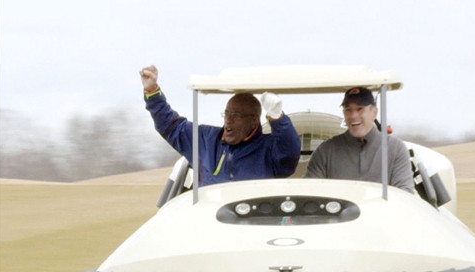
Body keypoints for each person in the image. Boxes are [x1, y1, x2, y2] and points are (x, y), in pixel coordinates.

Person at [140, 65, 301, 187]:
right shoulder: (205, 140)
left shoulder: (268, 148)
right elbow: (171, 126)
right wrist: (152, 91)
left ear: (253, 121)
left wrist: (277, 118)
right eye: (226, 114)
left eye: (236, 116)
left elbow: (290, 153)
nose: (228, 120)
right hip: (210, 221)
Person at [304, 86, 414, 193]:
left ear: (374, 112)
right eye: (348, 110)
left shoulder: (395, 149)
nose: (353, 116)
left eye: (360, 109)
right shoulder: (325, 151)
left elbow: (404, 193)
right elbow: (310, 192)